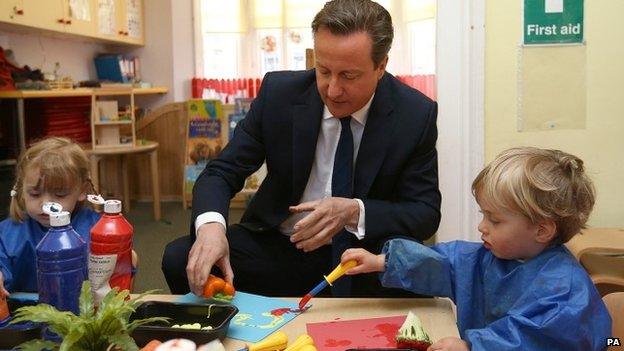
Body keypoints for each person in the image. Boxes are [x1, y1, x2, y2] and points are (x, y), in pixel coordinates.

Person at [162, 0, 441, 297]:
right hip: (281, 248)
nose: (332, 90)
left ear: (381, 65)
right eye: (323, 71)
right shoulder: (279, 94)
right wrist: (211, 229)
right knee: (182, 258)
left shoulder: (414, 114)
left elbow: (424, 213)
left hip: (362, 257)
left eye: (348, 76)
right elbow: (221, 172)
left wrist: (353, 212)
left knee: (417, 281)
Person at [342, 147, 611, 351]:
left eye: (495, 220)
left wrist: (472, 345)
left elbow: (529, 337)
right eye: (484, 215)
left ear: (542, 230)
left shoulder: (564, 292)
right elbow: (445, 263)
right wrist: (382, 261)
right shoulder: (491, 257)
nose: (482, 227)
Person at [0, 137, 100, 297]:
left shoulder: (97, 229)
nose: (45, 204)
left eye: (59, 194)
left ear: (82, 191)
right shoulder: (7, 233)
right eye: (35, 194)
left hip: (81, 316)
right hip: (23, 317)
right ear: (21, 190)